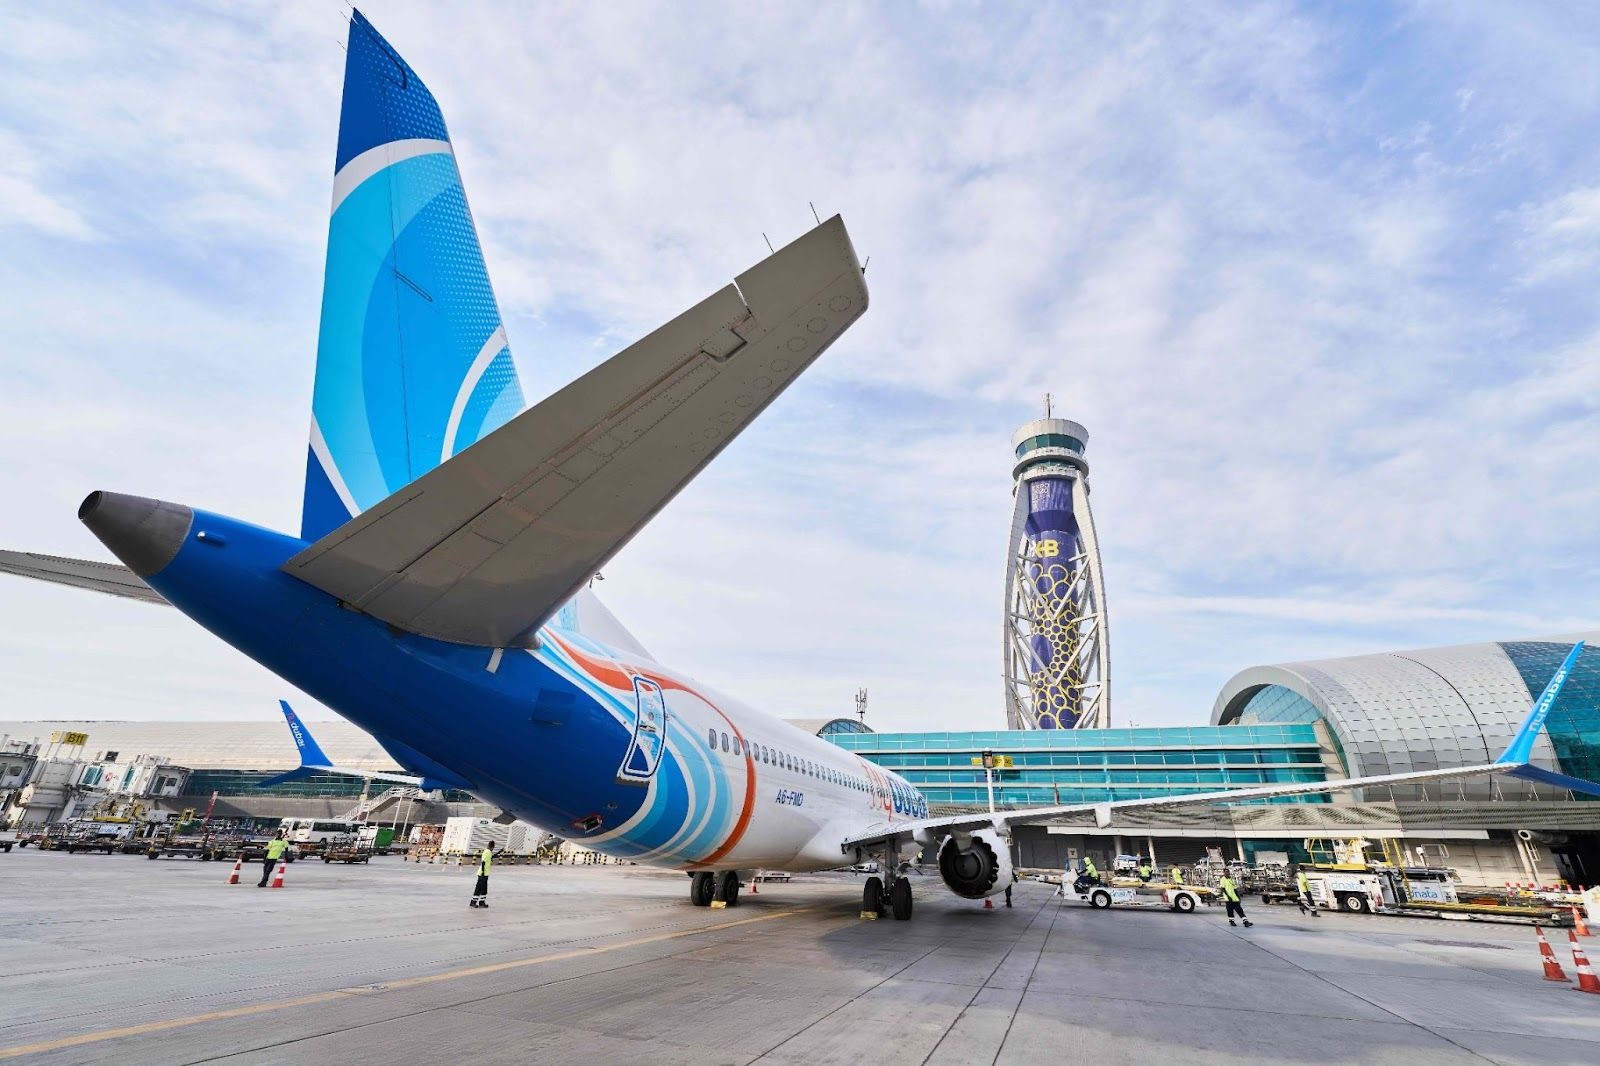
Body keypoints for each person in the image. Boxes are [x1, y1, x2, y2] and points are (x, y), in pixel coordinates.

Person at [470, 840, 496, 908]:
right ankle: (473, 902)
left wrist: (491, 859)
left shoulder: (488, 852)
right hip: (482, 873)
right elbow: (484, 862)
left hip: (485, 874)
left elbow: (488, 861)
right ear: (492, 847)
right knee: (478, 888)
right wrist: (483, 872)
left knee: (484, 889)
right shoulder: (487, 852)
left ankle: (482, 902)